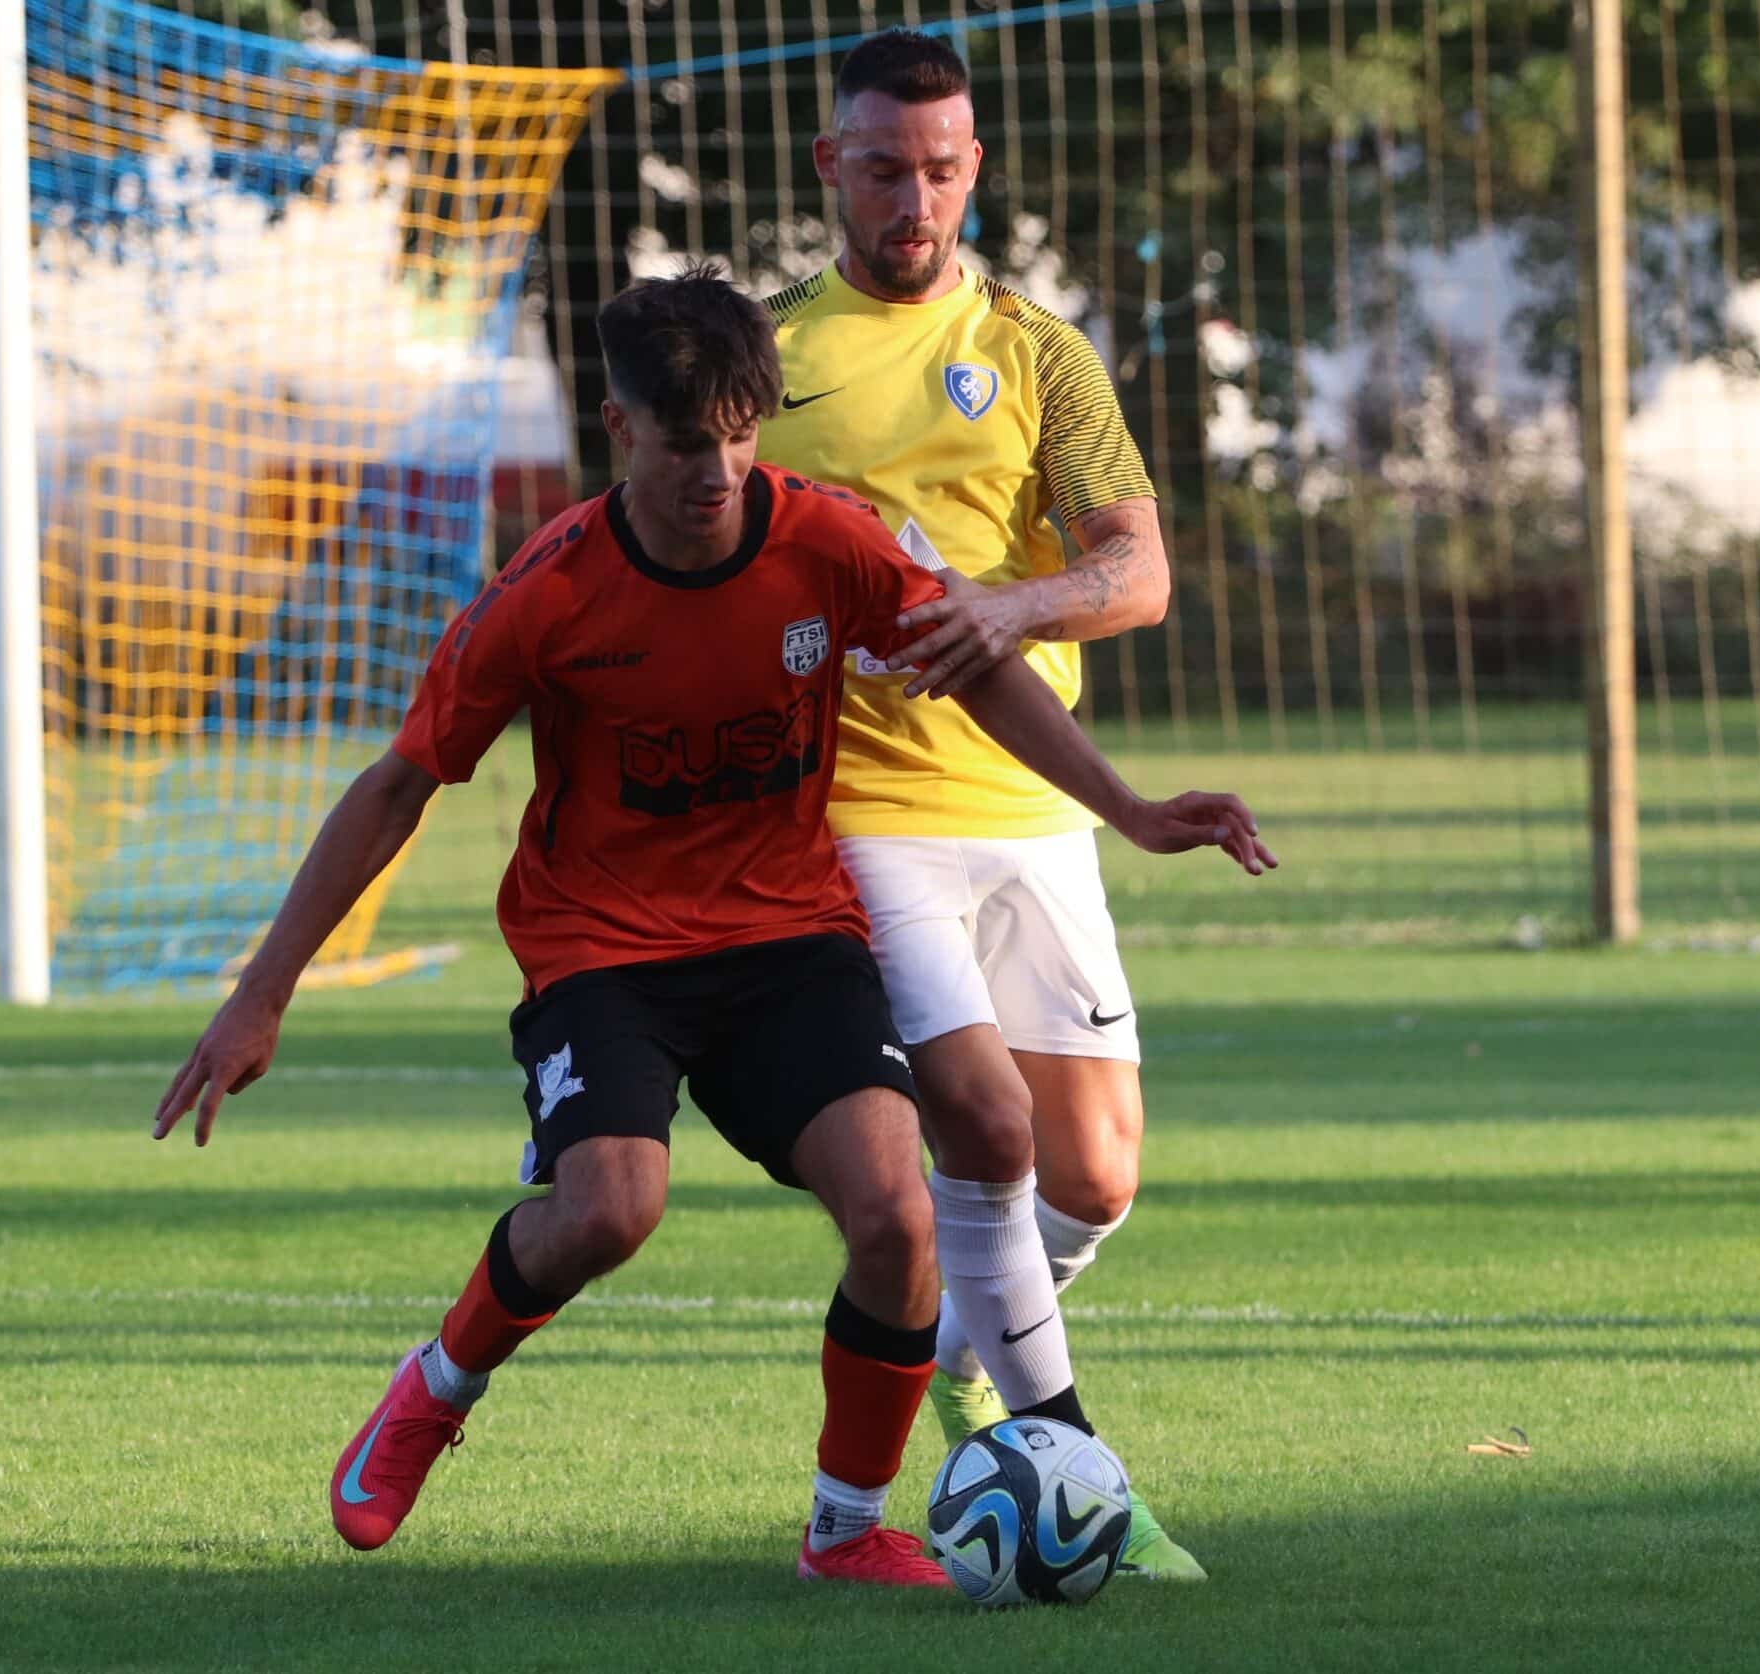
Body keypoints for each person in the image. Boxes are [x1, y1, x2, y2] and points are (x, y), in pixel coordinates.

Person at [149, 267, 1270, 1585]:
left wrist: (1129, 809)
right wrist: (264, 991)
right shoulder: (552, 590)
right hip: (603, 950)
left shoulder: (829, 541)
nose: (719, 471)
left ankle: (844, 1532)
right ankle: (438, 1384)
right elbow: (400, 781)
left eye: (741, 436)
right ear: (621, 429)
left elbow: (979, 671)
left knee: (898, 1218)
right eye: (687, 443)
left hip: (790, 939)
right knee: (611, 1210)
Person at [761, 27, 1260, 1580]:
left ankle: (967, 1344)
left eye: (940, 169)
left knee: (1094, 1174)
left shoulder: (1041, 353)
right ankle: (1076, 1464)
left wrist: (1013, 604)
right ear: (832, 167)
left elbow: (1139, 571)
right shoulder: (766, 358)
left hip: (1034, 802)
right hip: (862, 817)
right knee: (981, 1128)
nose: (913, 198)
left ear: (973, 168)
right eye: (884, 168)